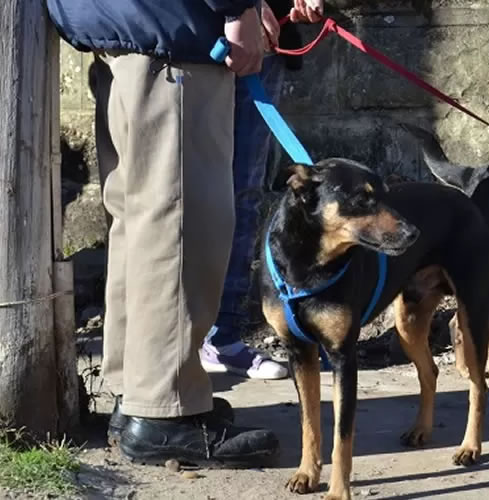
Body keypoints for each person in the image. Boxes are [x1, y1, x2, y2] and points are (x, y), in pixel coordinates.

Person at [46, 0, 321, 467]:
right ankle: (163, 413)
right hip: (171, 29)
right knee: (183, 225)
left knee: (141, 221)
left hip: (120, 22)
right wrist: (239, 7)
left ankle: (134, 396)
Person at [199, 0, 324, 380]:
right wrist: (245, 7)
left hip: (260, 44)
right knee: (180, 196)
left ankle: (221, 338)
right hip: (195, 33)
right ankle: (171, 344)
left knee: (243, 193)